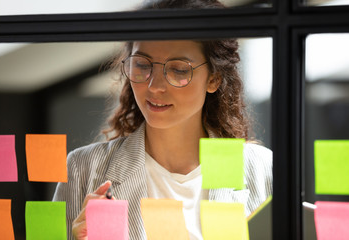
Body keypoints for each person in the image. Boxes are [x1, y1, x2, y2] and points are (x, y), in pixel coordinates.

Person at [53, 0, 272, 239]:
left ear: (214, 79)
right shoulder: (83, 168)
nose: (154, 86)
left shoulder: (261, 168)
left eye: (178, 70)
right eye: (142, 65)